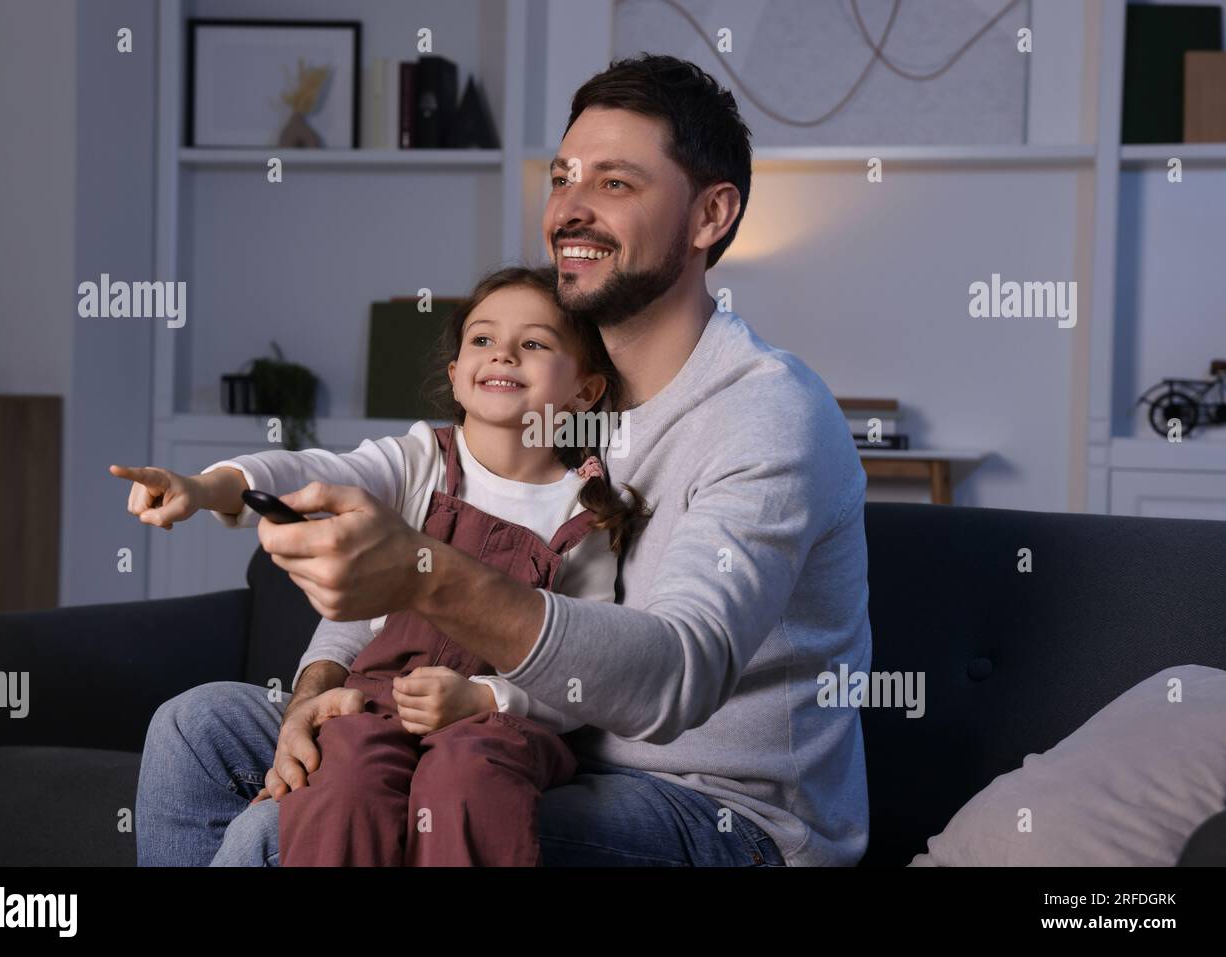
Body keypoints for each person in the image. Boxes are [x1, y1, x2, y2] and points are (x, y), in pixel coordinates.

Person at [136, 53, 871, 868]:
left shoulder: (766, 413)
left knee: (278, 833)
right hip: (503, 734)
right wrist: (318, 693)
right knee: (199, 729)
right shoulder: (553, 394)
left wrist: (428, 577)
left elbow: (679, 670)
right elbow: (391, 556)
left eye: (615, 183)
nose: (569, 210)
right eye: (563, 177)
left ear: (710, 215)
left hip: (708, 808)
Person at [114, 265, 645, 865]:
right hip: (375, 705)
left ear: (585, 392)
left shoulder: (587, 515)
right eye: (482, 339)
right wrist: (210, 487)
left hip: (501, 732)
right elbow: (315, 472)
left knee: (468, 778)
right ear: (456, 375)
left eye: (534, 344)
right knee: (343, 777)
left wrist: (485, 700)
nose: (502, 354)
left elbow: (583, 679)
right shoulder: (417, 463)